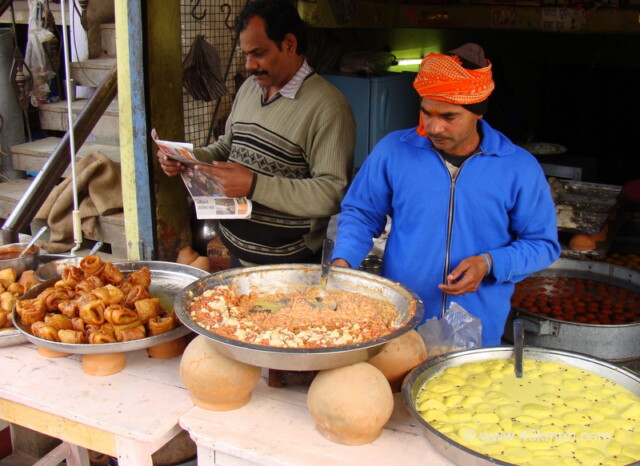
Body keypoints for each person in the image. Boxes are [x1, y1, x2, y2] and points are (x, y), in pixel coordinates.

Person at [331, 43, 560, 346]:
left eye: (449, 116)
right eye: (427, 113)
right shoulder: (394, 151)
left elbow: (543, 244)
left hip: (477, 329)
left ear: (477, 113)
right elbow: (361, 213)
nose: (434, 126)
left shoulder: (518, 167)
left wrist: (489, 263)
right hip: (400, 322)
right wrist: (343, 261)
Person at [157, 0, 355, 266]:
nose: (249, 65)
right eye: (245, 54)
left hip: (290, 265)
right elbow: (228, 146)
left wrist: (255, 185)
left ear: (289, 44)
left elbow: (332, 193)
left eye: (258, 53)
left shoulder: (328, 107)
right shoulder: (250, 89)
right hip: (236, 251)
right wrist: (189, 157)